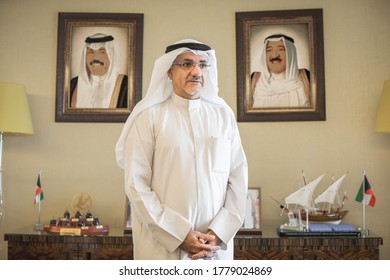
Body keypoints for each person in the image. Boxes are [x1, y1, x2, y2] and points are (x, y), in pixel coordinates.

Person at [115, 39, 248, 260]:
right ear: (168, 72)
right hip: (163, 249)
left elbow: (238, 180)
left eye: (203, 65)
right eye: (187, 64)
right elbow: (137, 185)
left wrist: (218, 233)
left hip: (213, 250)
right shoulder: (149, 117)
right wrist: (179, 234)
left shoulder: (224, 116)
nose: (197, 71)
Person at [251, 34, 311, 108]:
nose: (274, 55)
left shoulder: (307, 78)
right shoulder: (253, 80)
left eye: (281, 49)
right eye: (269, 50)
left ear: (290, 53)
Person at [70, 33, 128, 108]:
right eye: (91, 52)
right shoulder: (73, 84)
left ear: (111, 56)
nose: (96, 58)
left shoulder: (125, 85)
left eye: (102, 52)